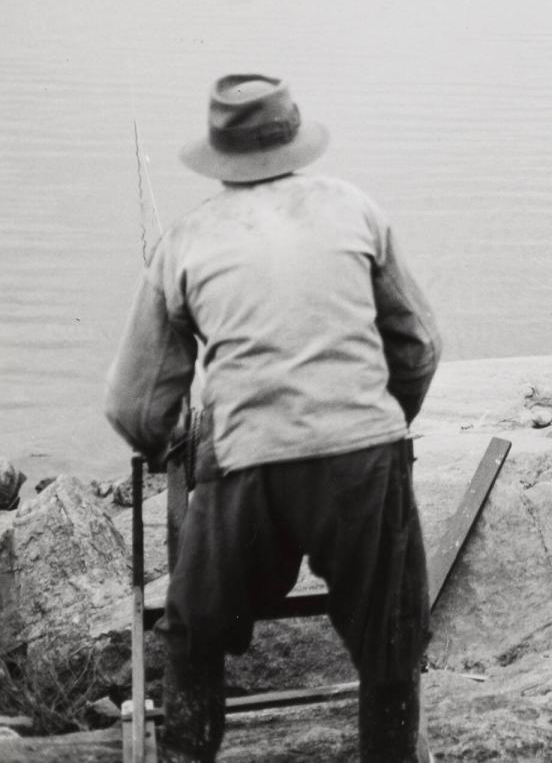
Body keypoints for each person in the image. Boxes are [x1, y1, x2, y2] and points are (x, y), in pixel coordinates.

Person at [105, 74, 441, 763]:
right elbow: (418, 345)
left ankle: (189, 749)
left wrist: (176, 443)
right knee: (390, 636)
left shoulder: (185, 239)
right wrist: (376, 417)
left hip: (245, 465)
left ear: (221, 154)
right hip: (362, 457)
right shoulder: (356, 209)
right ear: (293, 140)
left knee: (196, 628)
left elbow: (135, 403)